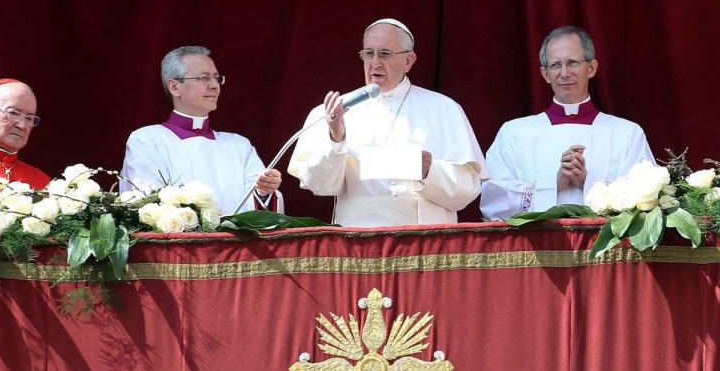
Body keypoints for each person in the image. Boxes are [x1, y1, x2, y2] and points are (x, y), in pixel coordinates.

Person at [287, 18, 487, 227]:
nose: (375, 63)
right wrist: (336, 138)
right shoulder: (334, 111)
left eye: (385, 54)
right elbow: (320, 186)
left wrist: (430, 171)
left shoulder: (444, 108)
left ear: (408, 61)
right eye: (369, 53)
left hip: (424, 240)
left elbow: (468, 190)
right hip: (357, 240)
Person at [480, 26, 654, 220]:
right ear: (545, 74)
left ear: (591, 68)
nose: (564, 73)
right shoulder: (513, 134)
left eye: (572, 62)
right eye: (555, 65)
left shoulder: (627, 133)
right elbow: (493, 200)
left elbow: (647, 200)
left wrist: (588, 183)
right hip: (539, 248)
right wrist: (553, 184)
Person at [120, 46, 283, 215]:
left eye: (217, 78)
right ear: (174, 87)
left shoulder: (238, 145)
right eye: (204, 78)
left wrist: (264, 191)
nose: (214, 86)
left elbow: (261, 211)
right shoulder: (147, 140)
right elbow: (146, 209)